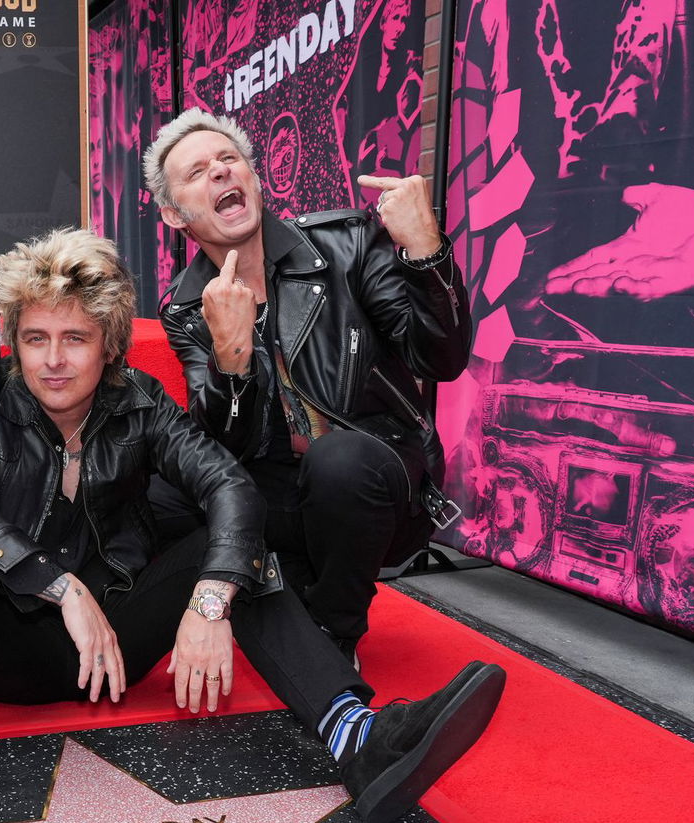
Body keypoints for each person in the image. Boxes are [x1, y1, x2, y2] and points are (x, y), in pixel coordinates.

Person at [0, 228, 507, 823]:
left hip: (117, 646)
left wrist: (209, 598)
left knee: (229, 549)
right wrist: (60, 585)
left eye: (74, 338)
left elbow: (227, 483)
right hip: (7, 643)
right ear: (13, 339)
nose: (52, 360)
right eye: (34, 338)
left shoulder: (140, 402)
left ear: (108, 343)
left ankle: (362, 742)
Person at [146, 109, 472, 661]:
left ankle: (332, 633)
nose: (221, 172)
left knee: (338, 460)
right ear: (175, 215)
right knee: (156, 491)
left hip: (373, 484)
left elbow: (440, 357)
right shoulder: (185, 307)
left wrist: (425, 251)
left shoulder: (346, 245)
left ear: (252, 176)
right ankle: (273, 590)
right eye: (198, 172)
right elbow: (227, 448)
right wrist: (231, 354)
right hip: (279, 495)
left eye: (229, 159)